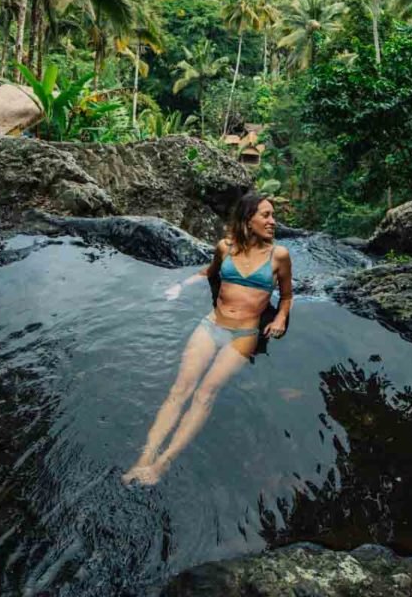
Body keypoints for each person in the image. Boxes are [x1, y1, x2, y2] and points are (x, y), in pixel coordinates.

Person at [120, 193, 292, 486]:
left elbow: (287, 296)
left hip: (244, 334)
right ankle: (143, 459)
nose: (272, 221)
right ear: (247, 219)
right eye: (266, 215)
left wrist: (280, 318)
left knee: (205, 394)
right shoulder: (224, 248)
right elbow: (209, 273)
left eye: (272, 215)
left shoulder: (279, 256)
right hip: (212, 324)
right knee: (180, 389)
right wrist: (179, 287)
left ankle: (161, 465)